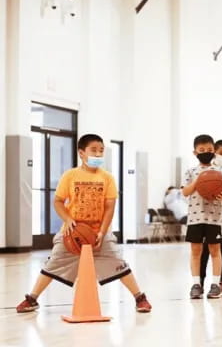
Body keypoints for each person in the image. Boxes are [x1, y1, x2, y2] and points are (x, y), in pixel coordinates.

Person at [16, 134, 152, 313]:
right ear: (81, 152)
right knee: (53, 263)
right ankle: (32, 298)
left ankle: (139, 297)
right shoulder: (70, 175)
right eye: (93, 150)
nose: (98, 154)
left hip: (98, 232)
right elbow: (57, 201)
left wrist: (103, 232)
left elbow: (110, 208)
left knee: (118, 262)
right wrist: (68, 219)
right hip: (72, 233)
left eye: (101, 151)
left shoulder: (107, 178)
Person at [182, 134, 222, 299]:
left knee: (215, 250)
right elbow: (185, 192)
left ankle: (215, 284)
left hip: (214, 218)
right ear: (195, 152)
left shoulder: (220, 171)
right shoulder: (190, 172)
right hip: (194, 218)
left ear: (214, 151)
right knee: (195, 251)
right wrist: (199, 181)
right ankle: (196, 284)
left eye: (209, 150)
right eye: (202, 150)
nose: (206, 152)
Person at [199, 139, 222, 296]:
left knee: (221, 251)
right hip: (204, 215)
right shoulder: (204, 170)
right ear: (214, 152)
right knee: (202, 252)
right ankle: (199, 282)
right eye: (221, 153)